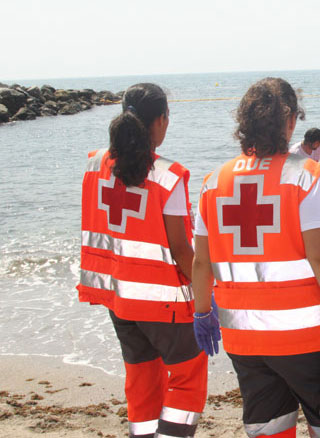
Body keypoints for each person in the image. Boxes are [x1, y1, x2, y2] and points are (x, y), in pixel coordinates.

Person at [191, 77, 320, 438]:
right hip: (304, 340)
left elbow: (201, 262)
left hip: (242, 339)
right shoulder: (304, 177)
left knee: (267, 429)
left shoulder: (213, 182)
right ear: (290, 121)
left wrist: (201, 312)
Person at [77, 83, 208, 438]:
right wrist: (207, 298)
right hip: (162, 302)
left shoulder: (95, 164)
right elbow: (182, 251)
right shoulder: (167, 176)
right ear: (161, 120)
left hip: (118, 299)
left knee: (141, 379)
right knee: (186, 381)